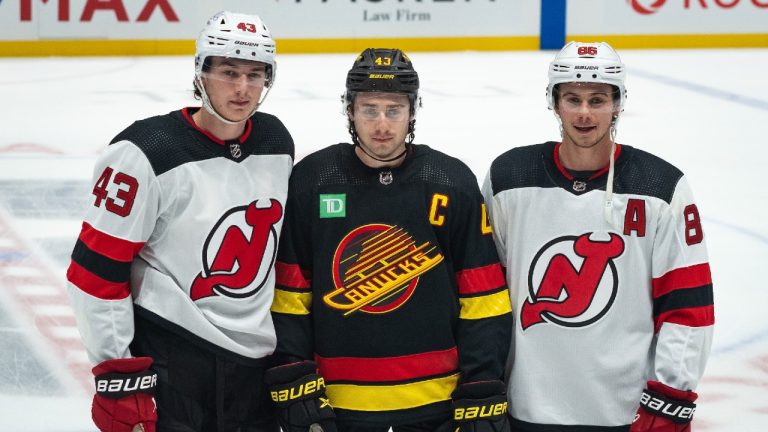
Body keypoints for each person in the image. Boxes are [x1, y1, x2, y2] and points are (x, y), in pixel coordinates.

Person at [66, 11, 293, 432]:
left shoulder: (276, 141)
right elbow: (94, 272)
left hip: (255, 371)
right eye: (228, 72)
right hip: (175, 362)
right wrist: (119, 374)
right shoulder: (144, 152)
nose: (243, 88)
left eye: (255, 74)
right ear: (201, 72)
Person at [267, 48, 513, 432]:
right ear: (349, 110)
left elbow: (483, 298)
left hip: (436, 404)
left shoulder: (451, 182)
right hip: (337, 406)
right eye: (370, 109)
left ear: (413, 111)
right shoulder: (312, 181)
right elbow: (289, 297)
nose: (382, 124)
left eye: (394, 110)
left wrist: (482, 388)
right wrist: (296, 380)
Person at [481, 41, 715, 431]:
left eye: (598, 99)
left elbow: (688, 305)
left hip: (625, 412)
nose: (585, 113)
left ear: (618, 103)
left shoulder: (660, 186)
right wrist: (482, 382)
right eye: (572, 99)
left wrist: (671, 396)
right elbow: (484, 293)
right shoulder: (509, 179)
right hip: (527, 408)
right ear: (554, 103)